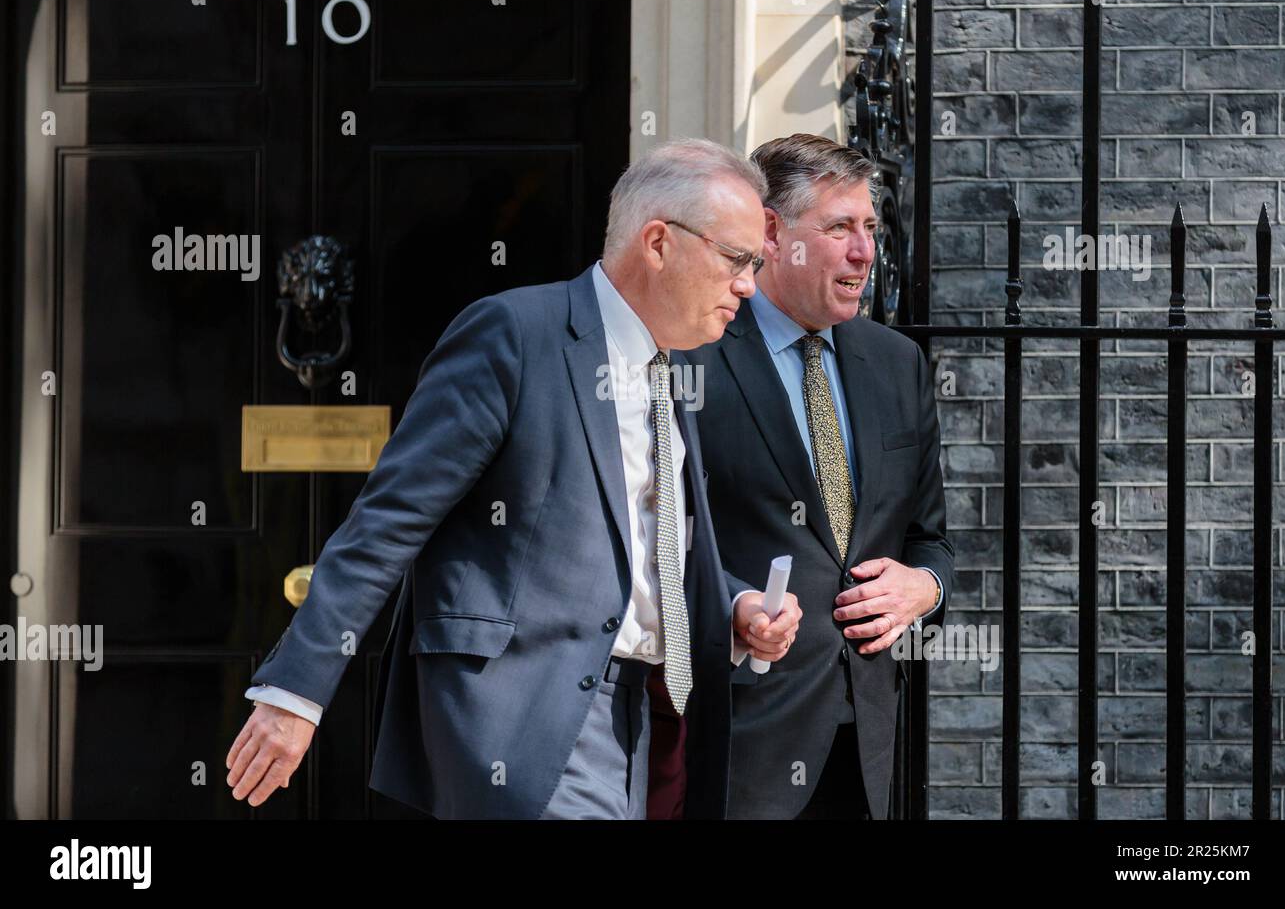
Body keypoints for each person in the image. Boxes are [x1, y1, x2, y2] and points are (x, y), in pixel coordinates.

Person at [224, 137, 802, 819]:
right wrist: (296, 690)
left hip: (645, 726)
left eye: (756, 265)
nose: (748, 283)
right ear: (658, 242)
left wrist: (732, 607)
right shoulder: (514, 336)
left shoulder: (672, 374)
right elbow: (387, 522)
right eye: (737, 259)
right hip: (525, 720)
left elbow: (644, 550)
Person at [683, 133, 953, 819]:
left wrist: (923, 587)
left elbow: (931, 541)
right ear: (772, 235)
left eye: (869, 228)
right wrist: (737, 604)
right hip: (736, 739)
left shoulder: (897, 363)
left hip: (865, 744)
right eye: (839, 228)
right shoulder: (695, 354)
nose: (865, 251)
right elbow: (661, 537)